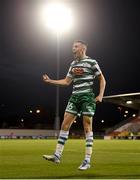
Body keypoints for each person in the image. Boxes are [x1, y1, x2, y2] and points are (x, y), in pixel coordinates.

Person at [42, 40, 106, 170]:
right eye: (72, 47)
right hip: (74, 97)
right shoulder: (73, 64)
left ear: (83, 48)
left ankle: (87, 160)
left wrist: (100, 95)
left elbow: (102, 79)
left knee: (87, 126)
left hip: (87, 97)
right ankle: (57, 155)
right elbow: (66, 82)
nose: (73, 49)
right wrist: (50, 81)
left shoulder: (92, 62)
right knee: (65, 123)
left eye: (75, 47)